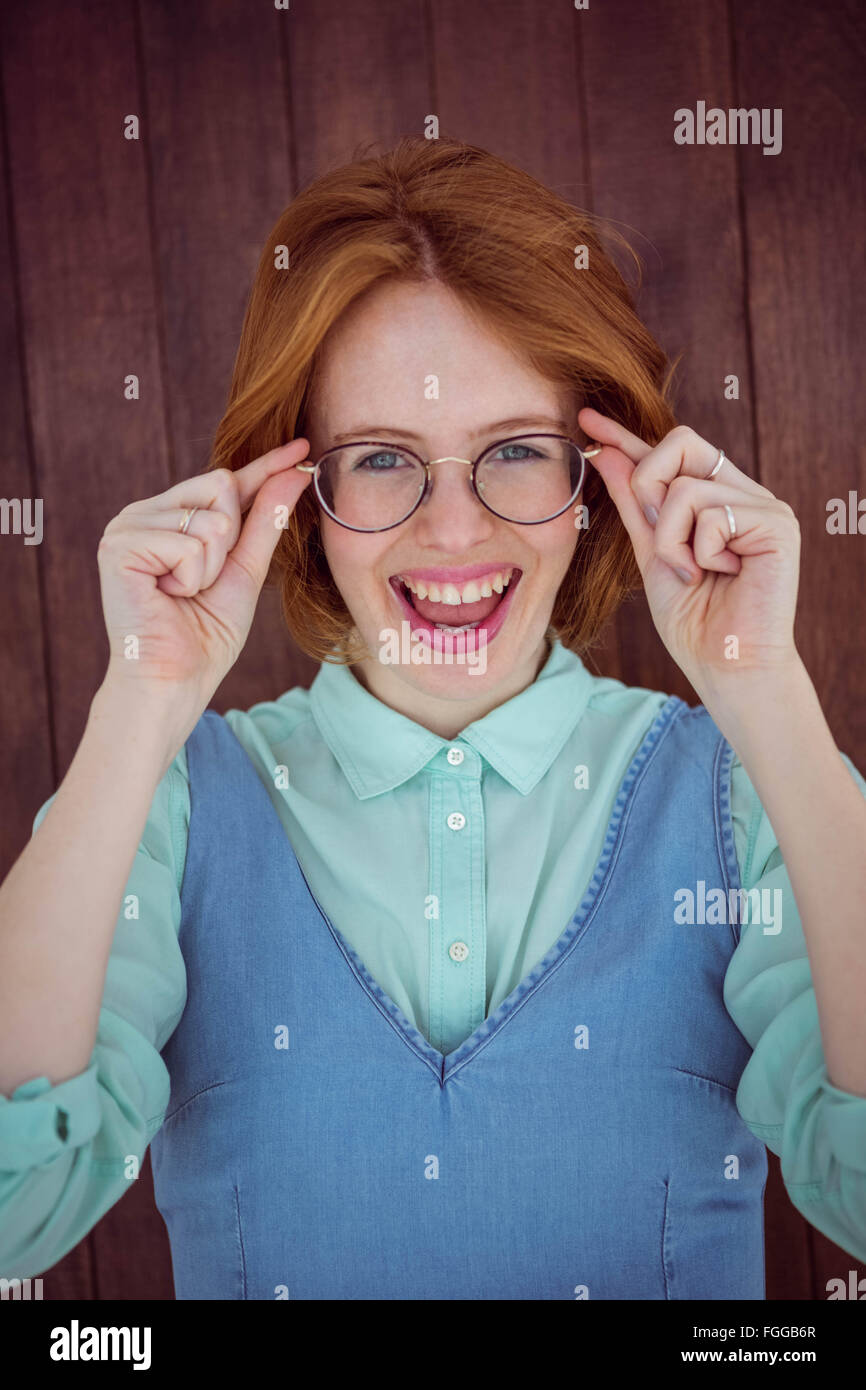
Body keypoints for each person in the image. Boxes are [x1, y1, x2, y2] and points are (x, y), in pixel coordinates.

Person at [1, 136, 864, 1301]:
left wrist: (766, 690)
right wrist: (136, 701)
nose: (452, 533)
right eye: (380, 459)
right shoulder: (163, 798)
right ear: (297, 498)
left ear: (598, 481)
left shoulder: (745, 787)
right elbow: (15, 1210)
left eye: (512, 451)